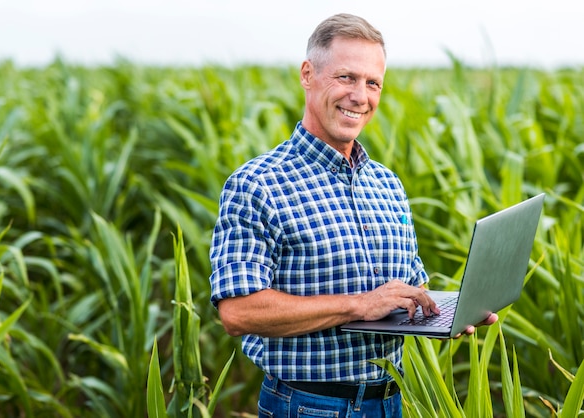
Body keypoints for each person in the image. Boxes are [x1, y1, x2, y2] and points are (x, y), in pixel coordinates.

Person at [209, 13, 498, 417]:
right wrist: (358, 305)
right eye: (346, 78)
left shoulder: (387, 184)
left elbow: (405, 287)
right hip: (308, 406)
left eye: (372, 82)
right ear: (308, 74)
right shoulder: (258, 184)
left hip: (391, 403)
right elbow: (238, 311)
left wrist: (449, 310)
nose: (360, 96)